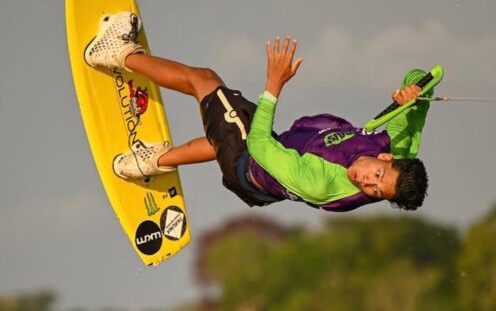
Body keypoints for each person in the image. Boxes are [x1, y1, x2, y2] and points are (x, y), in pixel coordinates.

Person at [84, 12, 431, 212]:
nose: (367, 183)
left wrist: (274, 85)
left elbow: (261, 146)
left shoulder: (324, 183)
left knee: (204, 81)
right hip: (265, 178)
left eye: (374, 192)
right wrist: (413, 91)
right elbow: (425, 83)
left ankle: (115, 53)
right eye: (377, 177)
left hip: (249, 163)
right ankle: (147, 163)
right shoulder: (401, 147)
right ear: (387, 156)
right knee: (224, 129)